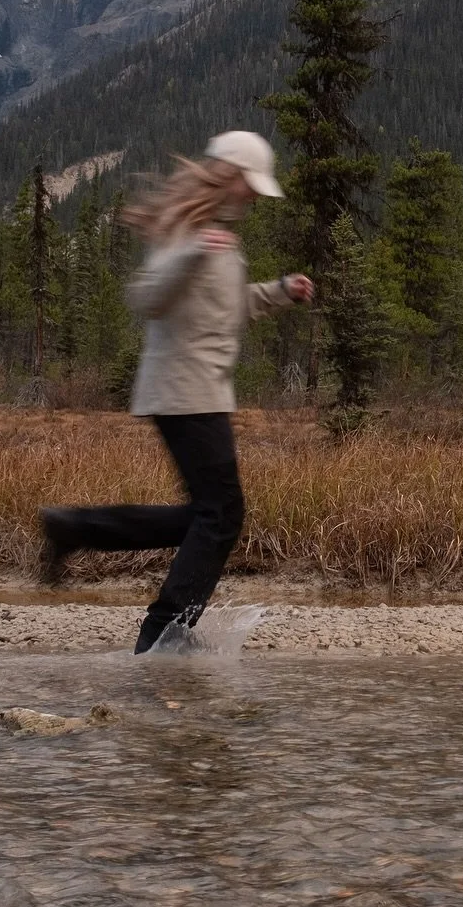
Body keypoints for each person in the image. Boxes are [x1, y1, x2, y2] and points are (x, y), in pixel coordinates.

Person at [38, 131, 313, 653]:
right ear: (229, 177)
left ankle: (74, 528)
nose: (254, 196)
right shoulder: (188, 233)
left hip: (200, 391)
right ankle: (164, 633)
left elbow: (228, 309)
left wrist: (279, 292)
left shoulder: (216, 236)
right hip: (185, 392)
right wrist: (191, 253)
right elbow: (146, 297)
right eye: (250, 184)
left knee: (205, 515)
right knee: (221, 514)